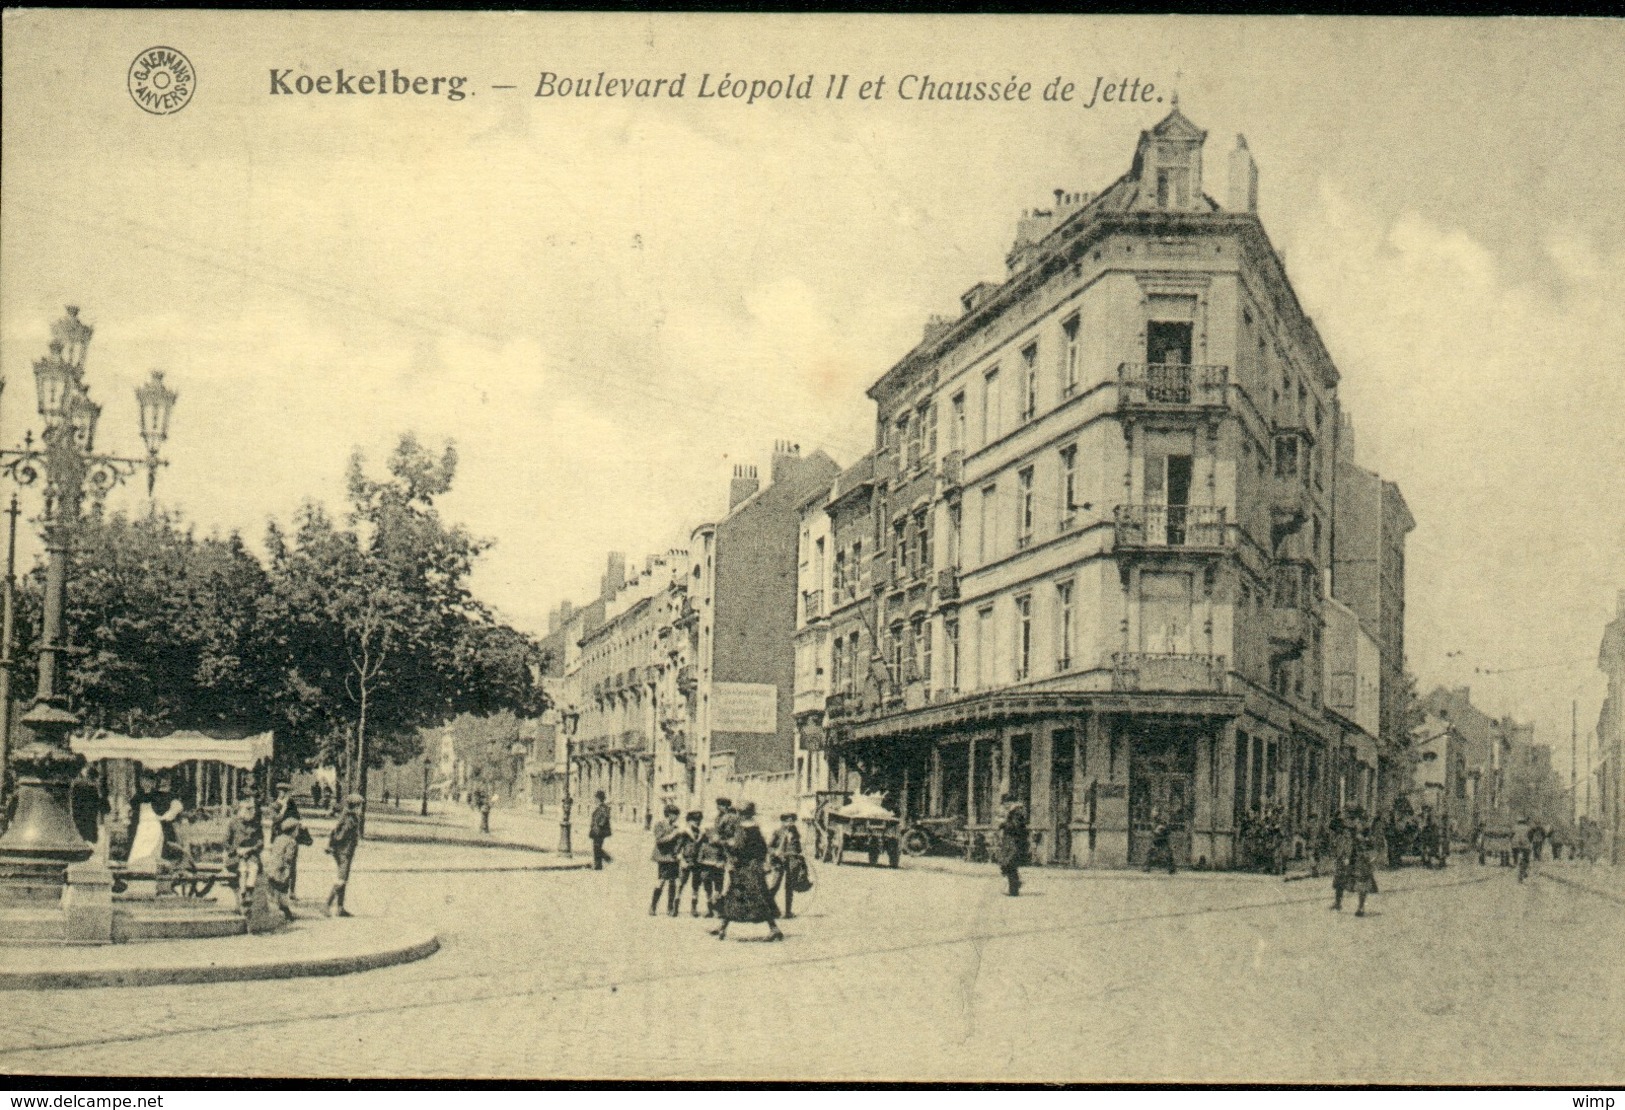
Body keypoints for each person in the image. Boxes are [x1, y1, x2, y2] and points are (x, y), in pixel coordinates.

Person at [712, 802, 784, 942]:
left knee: (738, 896)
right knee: (757, 896)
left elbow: (736, 848)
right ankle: (722, 927)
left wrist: (722, 843)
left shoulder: (741, 829)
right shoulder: (755, 829)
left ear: (740, 814)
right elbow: (762, 848)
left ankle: (774, 929)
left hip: (744, 868)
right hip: (755, 868)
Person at [265, 816, 312, 921]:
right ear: (293, 831)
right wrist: (287, 872)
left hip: (271, 868)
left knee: (274, 890)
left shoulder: (278, 838)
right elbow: (288, 858)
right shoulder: (292, 842)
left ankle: (280, 909)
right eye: (297, 830)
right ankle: (286, 913)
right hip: (281, 870)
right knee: (283, 891)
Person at [325, 793, 364, 917]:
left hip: (344, 852)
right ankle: (326, 905)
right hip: (344, 853)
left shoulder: (348, 816)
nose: (361, 808)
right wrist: (338, 845)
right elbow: (340, 835)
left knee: (344, 879)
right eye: (360, 806)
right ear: (355, 806)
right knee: (341, 879)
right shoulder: (350, 819)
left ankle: (340, 908)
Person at [224, 798, 264, 914]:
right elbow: (225, 842)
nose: (250, 812)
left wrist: (251, 849)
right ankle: (243, 895)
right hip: (235, 857)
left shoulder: (256, 825)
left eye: (251, 809)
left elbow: (261, 842)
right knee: (242, 869)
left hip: (251, 855)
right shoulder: (233, 823)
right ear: (241, 810)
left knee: (253, 868)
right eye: (247, 809)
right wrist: (236, 850)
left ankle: (249, 894)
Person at [1333, 812, 1378, 915]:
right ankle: (1338, 902)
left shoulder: (1365, 835)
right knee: (1340, 879)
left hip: (1361, 861)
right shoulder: (1347, 832)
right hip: (1349, 860)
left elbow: (1371, 850)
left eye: (1359, 822)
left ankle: (1361, 908)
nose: (1357, 824)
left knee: (1362, 883)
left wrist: (1370, 858)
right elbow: (1344, 845)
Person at [767, 812, 809, 919]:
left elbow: (798, 848)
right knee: (775, 885)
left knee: (789, 887)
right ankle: (768, 910)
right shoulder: (777, 832)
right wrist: (775, 852)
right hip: (779, 862)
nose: (790, 823)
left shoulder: (795, 833)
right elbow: (769, 847)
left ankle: (788, 912)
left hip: (792, 862)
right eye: (788, 821)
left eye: (792, 821)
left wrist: (797, 854)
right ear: (783, 821)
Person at [649, 803, 687, 916]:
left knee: (673, 882)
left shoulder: (676, 827)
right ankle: (653, 906)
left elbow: (679, 842)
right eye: (675, 815)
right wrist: (674, 834)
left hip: (673, 858)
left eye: (677, 815)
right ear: (669, 814)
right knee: (661, 881)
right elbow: (660, 840)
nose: (676, 818)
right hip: (663, 857)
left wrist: (679, 852)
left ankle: (670, 907)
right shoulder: (659, 825)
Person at [695, 805, 729, 917]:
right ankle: (710, 910)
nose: (713, 838)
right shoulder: (704, 847)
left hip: (718, 870)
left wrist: (722, 862)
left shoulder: (721, 847)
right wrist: (712, 863)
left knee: (718, 889)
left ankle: (718, 910)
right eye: (710, 836)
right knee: (708, 891)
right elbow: (700, 859)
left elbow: (725, 857)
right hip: (706, 871)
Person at [272, 782, 304, 899]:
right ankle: (278, 890)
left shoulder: (291, 804)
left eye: (285, 792)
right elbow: (274, 820)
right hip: (279, 837)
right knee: (278, 864)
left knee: (292, 864)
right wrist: (283, 810)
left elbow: (297, 818)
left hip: (291, 837)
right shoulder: (275, 805)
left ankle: (292, 891)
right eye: (281, 791)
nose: (283, 794)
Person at [995, 794, 1028, 896]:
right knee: (1007, 863)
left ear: (1011, 803)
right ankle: (1014, 886)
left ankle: (1014, 888)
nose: (1004, 806)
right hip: (1009, 841)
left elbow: (1016, 827)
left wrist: (1004, 824)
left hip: (1015, 841)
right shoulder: (1011, 812)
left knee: (1010, 863)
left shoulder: (1017, 812)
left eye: (1006, 803)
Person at [676, 809, 706, 916]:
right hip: (686, 861)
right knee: (681, 884)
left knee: (696, 885)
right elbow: (677, 849)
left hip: (698, 862)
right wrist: (682, 860)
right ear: (689, 821)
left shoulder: (702, 833)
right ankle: (676, 906)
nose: (697, 822)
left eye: (699, 820)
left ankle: (693, 908)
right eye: (694, 820)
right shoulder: (684, 833)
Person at [1146, 809, 1176, 876]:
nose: (1154, 815)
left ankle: (1171, 869)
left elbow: (1167, 830)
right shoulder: (1154, 821)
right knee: (1151, 852)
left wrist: (1162, 829)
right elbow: (1154, 830)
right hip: (1157, 839)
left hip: (1163, 839)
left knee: (1168, 853)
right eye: (1153, 814)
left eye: (1155, 814)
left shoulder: (1162, 821)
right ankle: (1147, 867)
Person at [588, 790, 613, 869]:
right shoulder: (600, 807)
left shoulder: (604, 808)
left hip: (600, 831)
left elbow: (605, 818)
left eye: (596, 798)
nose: (595, 800)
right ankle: (598, 864)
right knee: (596, 847)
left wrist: (599, 825)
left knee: (597, 847)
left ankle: (604, 860)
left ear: (599, 798)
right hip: (596, 830)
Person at [1512, 816, 1532, 882]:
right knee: (1526, 859)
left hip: (1515, 845)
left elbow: (1511, 835)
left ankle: (1518, 866)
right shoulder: (1528, 828)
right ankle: (1523, 871)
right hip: (1525, 844)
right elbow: (1530, 836)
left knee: (1518, 858)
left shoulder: (1514, 827)